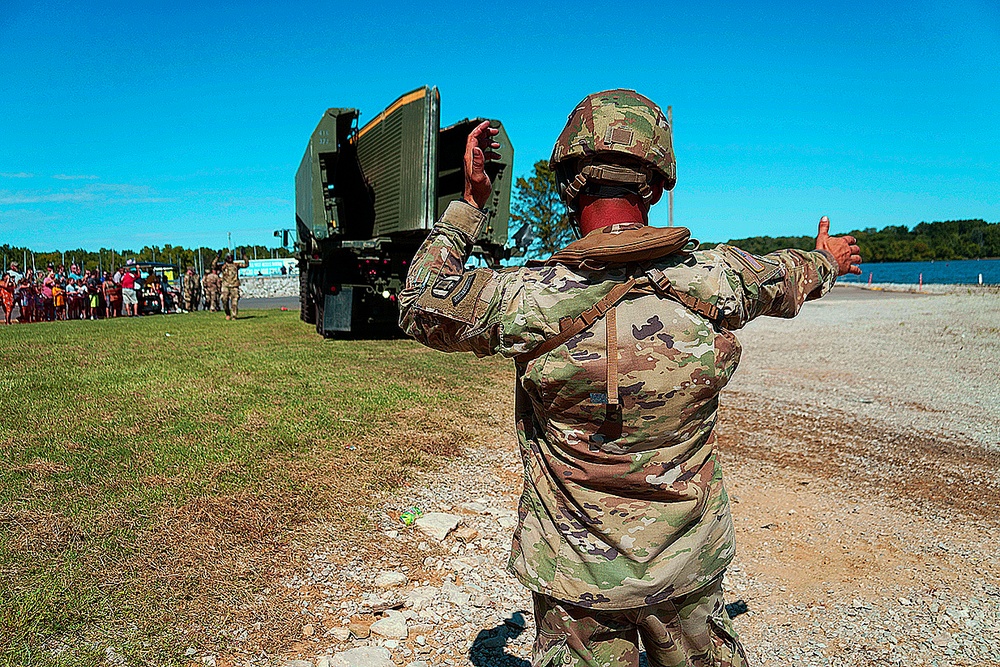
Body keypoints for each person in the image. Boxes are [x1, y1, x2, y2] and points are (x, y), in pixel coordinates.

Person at [398, 91, 862, 667]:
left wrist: (470, 205)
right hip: (688, 565)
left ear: (568, 186)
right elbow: (794, 274)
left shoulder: (526, 297)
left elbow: (419, 301)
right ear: (659, 185)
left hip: (577, 581)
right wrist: (830, 258)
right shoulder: (719, 279)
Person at [219, 255, 247, 320]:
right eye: (228, 257)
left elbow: (246, 264)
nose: (230, 259)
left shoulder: (235, 265)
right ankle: (227, 313)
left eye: (231, 257)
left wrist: (244, 256)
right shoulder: (223, 266)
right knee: (224, 299)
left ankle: (234, 315)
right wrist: (218, 257)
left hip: (234, 285)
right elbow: (213, 266)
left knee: (234, 302)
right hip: (225, 285)